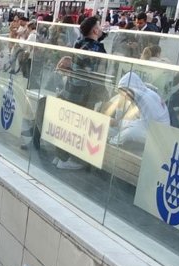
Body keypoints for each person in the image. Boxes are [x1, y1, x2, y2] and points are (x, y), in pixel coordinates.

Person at [51, 16, 107, 170]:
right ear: (95, 30)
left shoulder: (79, 43)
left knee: (68, 124)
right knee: (81, 126)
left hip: (71, 90)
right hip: (84, 94)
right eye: (99, 26)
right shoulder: (97, 49)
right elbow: (98, 74)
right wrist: (103, 94)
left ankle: (60, 156)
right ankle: (71, 159)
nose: (101, 28)